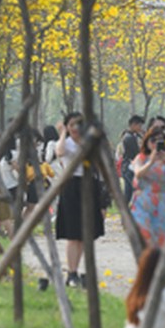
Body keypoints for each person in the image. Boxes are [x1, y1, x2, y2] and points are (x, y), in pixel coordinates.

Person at [53, 112, 105, 288]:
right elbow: (59, 152)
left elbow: (99, 162)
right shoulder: (65, 143)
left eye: (78, 125)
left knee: (84, 235)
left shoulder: (89, 143)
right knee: (72, 234)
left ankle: (77, 271)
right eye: (71, 125)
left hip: (89, 185)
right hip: (71, 186)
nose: (74, 128)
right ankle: (72, 272)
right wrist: (62, 133)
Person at [129, 126, 165, 249]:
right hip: (143, 201)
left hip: (162, 202)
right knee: (144, 237)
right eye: (153, 140)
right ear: (147, 141)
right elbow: (138, 173)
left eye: (160, 140)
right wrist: (151, 162)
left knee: (161, 238)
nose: (155, 144)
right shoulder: (141, 158)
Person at [117, 115, 145, 205]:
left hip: (129, 167)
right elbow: (136, 152)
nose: (141, 128)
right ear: (133, 125)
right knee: (131, 191)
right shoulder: (129, 138)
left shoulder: (134, 136)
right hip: (129, 167)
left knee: (129, 192)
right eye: (139, 126)